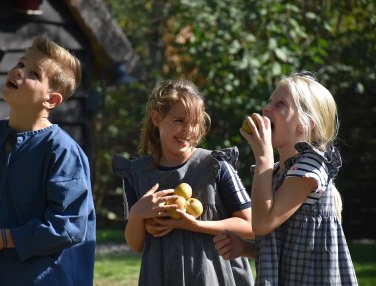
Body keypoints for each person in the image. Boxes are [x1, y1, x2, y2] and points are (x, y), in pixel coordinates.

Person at [0, 34, 96, 285]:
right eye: (20, 64)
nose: (18, 71)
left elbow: (68, 226)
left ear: (52, 99)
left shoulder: (62, 152)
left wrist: (4, 239)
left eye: (34, 73)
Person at [214, 72, 358, 285]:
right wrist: (245, 248)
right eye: (269, 101)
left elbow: (262, 224)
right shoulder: (277, 173)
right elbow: (282, 241)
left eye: (280, 104)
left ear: (305, 124)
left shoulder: (311, 166)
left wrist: (262, 155)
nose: (266, 108)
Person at [112, 79, 254, 286]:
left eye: (195, 123)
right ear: (156, 118)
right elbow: (136, 245)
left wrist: (196, 225)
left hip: (213, 276)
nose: (188, 130)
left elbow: (250, 225)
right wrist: (137, 213)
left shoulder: (215, 166)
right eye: (179, 121)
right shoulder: (137, 173)